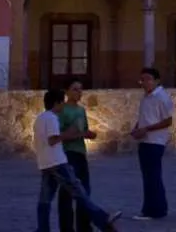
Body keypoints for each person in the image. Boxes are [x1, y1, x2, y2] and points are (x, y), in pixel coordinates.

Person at [32, 89, 120, 232]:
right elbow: (53, 139)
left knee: (45, 200)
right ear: (57, 103)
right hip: (57, 162)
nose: (63, 106)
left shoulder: (40, 118)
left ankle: (42, 228)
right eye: (62, 103)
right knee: (79, 193)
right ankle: (102, 219)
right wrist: (70, 132)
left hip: (45, 162)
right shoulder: (52, 118)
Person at [128, 68, 174, 221]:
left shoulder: (161, 97)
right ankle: (155, 208)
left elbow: (168, 120)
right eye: (142, 79)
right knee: (149, 176)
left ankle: (154, 211)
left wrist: (146, 129)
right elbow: (145, 117)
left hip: (155, 141)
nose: (145, 83)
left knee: (152, 176)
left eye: (148, 79)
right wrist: (137, 128)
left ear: (157, 80)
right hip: (145, 140)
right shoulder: (146, 97)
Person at [56, 80, 98, 232]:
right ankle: (66, 227)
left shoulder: (81, 111)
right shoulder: (62, 111)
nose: (78, 93)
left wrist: (89, 134)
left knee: (85, 190)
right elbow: (59, 135)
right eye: (74, 89)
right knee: (68, 192)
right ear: (67, 92)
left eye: (80, 90)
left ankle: (83, 226)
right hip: (68, 154)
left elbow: (83, 130)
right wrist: (75, 134)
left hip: (80, 153)